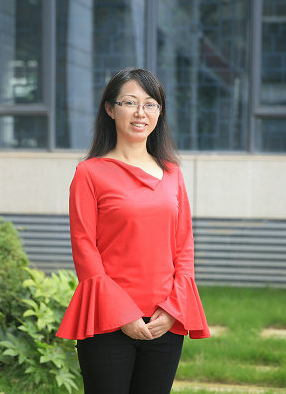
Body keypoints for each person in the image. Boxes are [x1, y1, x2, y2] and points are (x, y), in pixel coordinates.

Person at [56, 67, 210, 394]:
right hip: (107, 318)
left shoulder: (173, 174)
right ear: (110, 109)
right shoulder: (89, 173)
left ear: (159, 112)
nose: (141, 112)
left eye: (150, 104)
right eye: (130, 102)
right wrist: (123, 314)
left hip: (164, 320)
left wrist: (172, 309)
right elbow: (84, 248)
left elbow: (184, 247)